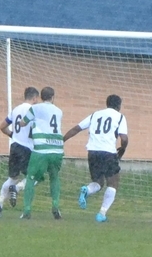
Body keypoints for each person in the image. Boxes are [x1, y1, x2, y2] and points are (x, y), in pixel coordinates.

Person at [63, 94, 129, 223]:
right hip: (108, 153)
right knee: (113, 183)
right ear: (119, 106)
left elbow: (76, 129)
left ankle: (87, 190)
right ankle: (102, 213)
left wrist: (62, 141)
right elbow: (124, 138)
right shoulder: (120, 117)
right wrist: (122, 148)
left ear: (107, 103)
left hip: (93, 152)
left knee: (98, 182)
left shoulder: (95, 115)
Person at [19, 86, 63, 220]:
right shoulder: (59, 111)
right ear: (53, 97)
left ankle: (27, 210)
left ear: (40, 97)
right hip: (57, 149)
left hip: (41, 149)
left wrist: (28, 122)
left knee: (31, 178)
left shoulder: (35, 108)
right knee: (54, 177)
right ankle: (55, 205)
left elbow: (23, 123)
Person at [0, 86, 39, 217]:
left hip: (14, 147)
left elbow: (2, 126)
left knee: (12, 178)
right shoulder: (34, 110)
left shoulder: (15, 110)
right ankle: (17, 189)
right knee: (35, 177)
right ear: (34, 98)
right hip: (27, 148)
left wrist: (12, 135)